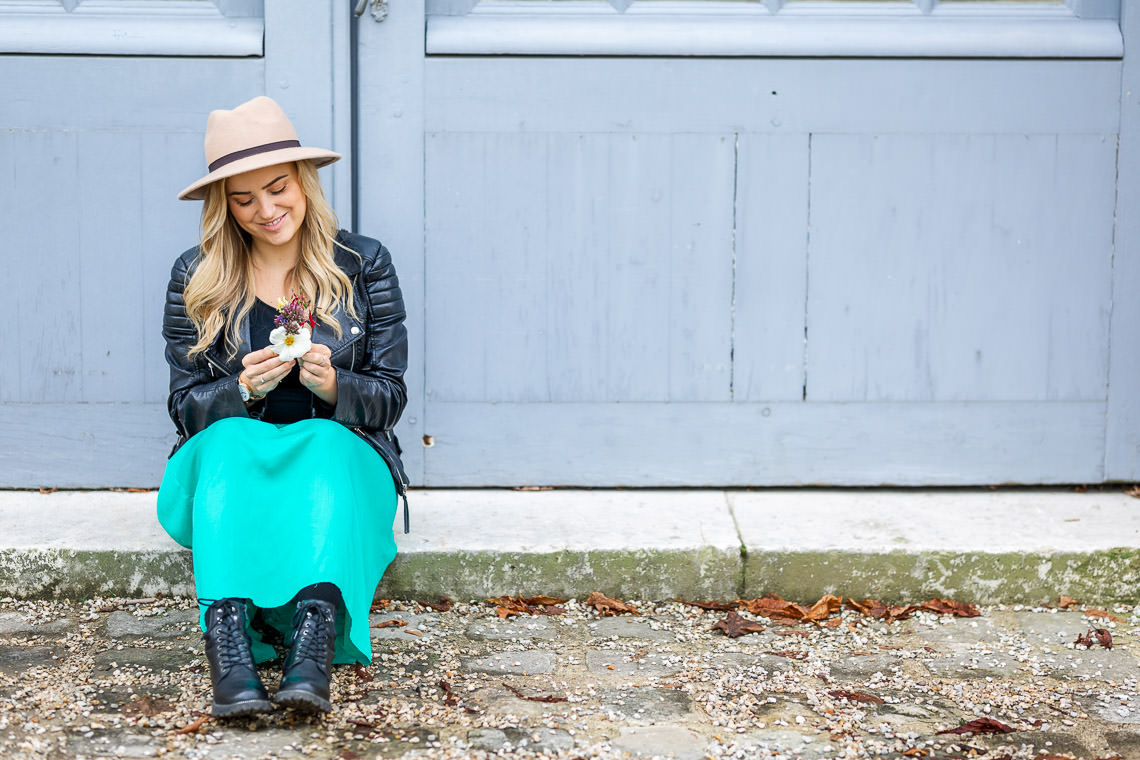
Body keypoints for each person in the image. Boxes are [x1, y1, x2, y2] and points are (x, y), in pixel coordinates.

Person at [157, 96, 409, 717]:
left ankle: (311, 651)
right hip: (234, 461)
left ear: (304, 181)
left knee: (323, 441)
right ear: (224, 207)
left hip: (341, 459)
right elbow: (184, 409)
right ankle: (230, 652)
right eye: (243, 200)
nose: (266, 211)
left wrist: (333, 389)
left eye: (277, 189)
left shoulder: (362, 263)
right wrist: (241, 391)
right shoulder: (197, 273)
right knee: (225, 439)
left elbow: (390, 399)